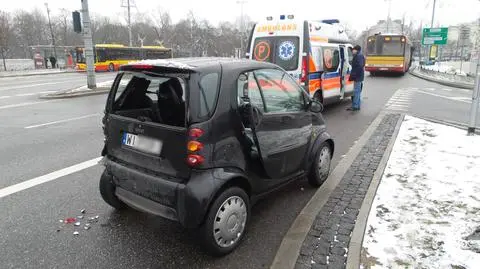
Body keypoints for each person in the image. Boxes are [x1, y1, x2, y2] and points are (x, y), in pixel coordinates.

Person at [347, 45, 365, 111]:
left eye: (353, 49)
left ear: (356, 50)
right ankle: (357, 105)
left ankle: (355, 106)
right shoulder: (359, 55)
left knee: (356, 91)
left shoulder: (358, 56)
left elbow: (360, 66)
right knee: (357, 91)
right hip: (359, 76)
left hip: (358, 76)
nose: (352, 51)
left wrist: (354, 74)